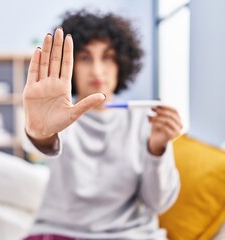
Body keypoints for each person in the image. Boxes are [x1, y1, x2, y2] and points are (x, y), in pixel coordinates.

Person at [22, 10, 182, 240]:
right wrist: (40, 134)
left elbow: (158, 203)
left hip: (129, 235)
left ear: (122, 63)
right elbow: (41, 147)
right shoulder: (59, 116)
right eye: (86, 58)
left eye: (107, 57)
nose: (97, 71)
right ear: (72, 65)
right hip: (60, 232)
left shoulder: (146, 120)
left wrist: (156, 149)